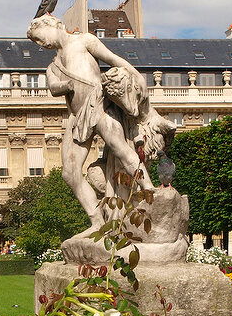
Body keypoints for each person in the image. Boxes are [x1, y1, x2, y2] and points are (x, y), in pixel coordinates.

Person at [26, 14, 162, 228]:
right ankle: (97, 222)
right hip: (77, 116)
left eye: (39, 37)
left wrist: (138, 79)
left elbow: (115, 60)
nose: (40, 44)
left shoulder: (83, 41)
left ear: (51, 24)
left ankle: (150, 191)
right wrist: (65, 85)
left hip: (98, 104)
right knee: (70, 173)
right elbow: (53, 87)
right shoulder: (53, 67)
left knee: (121, 150)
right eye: (36, 42)